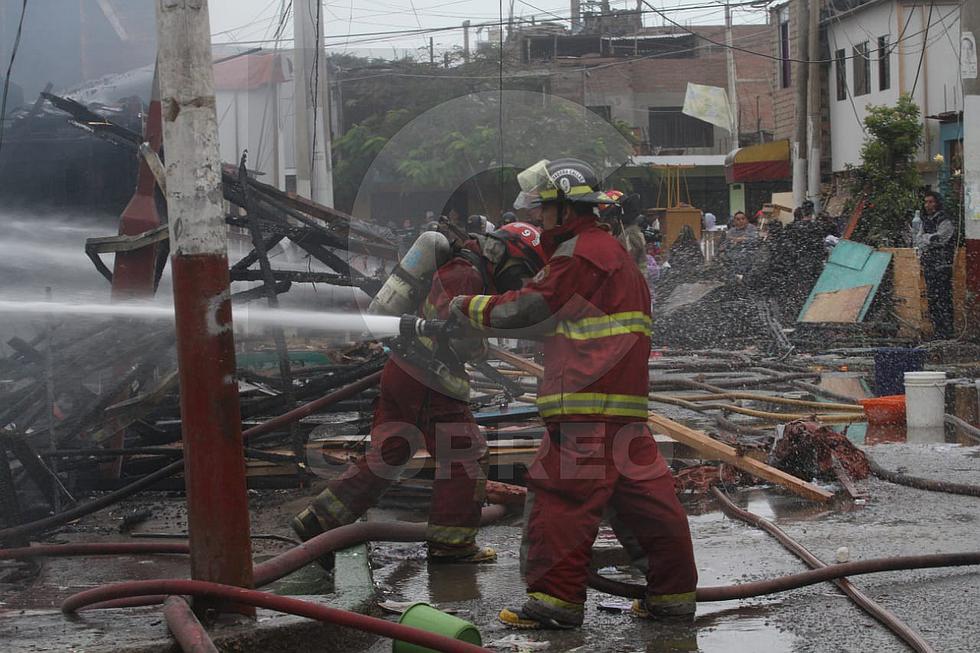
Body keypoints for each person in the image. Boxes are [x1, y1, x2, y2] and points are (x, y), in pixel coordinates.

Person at [449, 158, 697, 629]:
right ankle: (673, 597)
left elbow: (528, 307)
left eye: (544, 208)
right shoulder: (615, 257)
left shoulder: (578, 255)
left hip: (585, 406)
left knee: (560, 501)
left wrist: (467, 307)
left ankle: (554, 603)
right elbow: (563, 319)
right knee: (647, 504)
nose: (539, 217)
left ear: (565, 210)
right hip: (623, 408)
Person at [291, 222, 547, 566]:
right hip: (429, 379)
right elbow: (450, 330)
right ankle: (451, 545)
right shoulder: (466, 274)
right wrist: (478, 347)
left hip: (404, 372)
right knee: (465, 457)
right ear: (508, 258)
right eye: (523, 272)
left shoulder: (464, 267)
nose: (520, 282)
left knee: (390, 454)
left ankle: (319, 520)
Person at [915, 190, 957, 339]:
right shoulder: (925, 220)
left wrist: (928, 239)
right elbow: (919, 239)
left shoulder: (944, 219)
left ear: (937, 203)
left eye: (931, 202)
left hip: (942, 264)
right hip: (929, 264)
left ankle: (946, 332)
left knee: (943, 299)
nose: (928, 205)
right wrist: (929, 239)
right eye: (926, 202)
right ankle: (937, 331)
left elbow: (942, 238)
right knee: (932, 299)